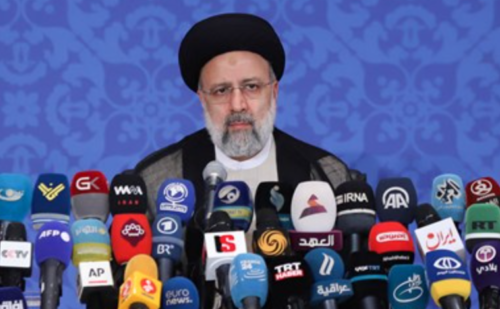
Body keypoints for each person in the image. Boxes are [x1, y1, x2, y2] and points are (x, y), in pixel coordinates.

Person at [133, 12, 356, 216]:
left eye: (251, 87)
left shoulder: (326, 173)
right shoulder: (158, 179)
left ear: (274, 92)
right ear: (202, 98)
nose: (237, 105)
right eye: (221, 90)